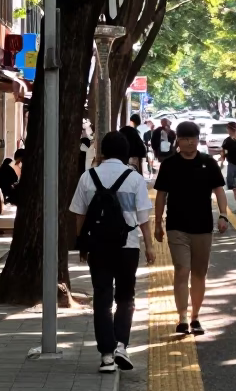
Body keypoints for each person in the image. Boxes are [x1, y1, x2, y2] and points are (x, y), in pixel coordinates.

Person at [70, 130, 154, 374]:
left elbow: (79, 214)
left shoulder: (88, 177)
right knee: (126, 298)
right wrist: (149, 245)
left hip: (98, 246)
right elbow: (143, 218)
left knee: (102, 297)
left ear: (102, 151)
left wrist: (82, 243)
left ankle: (106, 355)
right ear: (126, 152)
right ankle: (121, 345)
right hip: (127, 246)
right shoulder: (134, 178)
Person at [154, 120, 228, 335]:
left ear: (198, 139)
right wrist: (158, 222)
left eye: (192, 138)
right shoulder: (169, 164)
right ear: (178, 140)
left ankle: (196, 316)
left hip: (203, 227)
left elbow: (219, 190)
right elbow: (161, 195)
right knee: (181, 269)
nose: (188, 143)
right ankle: (182, 318)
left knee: (198, 273)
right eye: (184, 139)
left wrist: (223, 215)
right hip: (177, 226)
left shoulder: (208, 162)